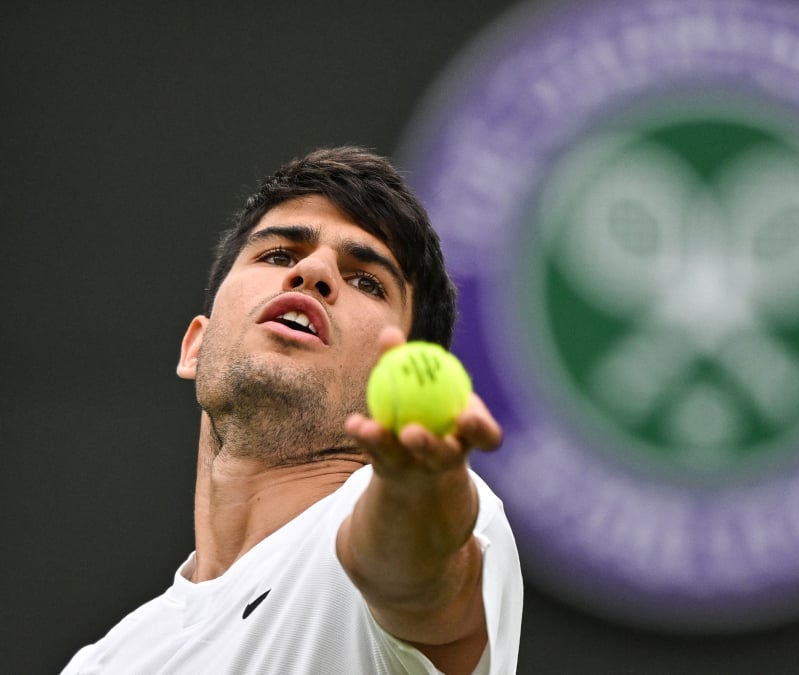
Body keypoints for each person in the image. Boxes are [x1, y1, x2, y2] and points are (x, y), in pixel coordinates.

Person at [61, 147, 523, 674]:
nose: (314, 270)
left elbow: (417, 574)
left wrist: (414, 496)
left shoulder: (427, 512)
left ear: (397, 376)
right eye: (278, 255)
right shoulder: (101, 664)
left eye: (367, 280)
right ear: (196, 346)